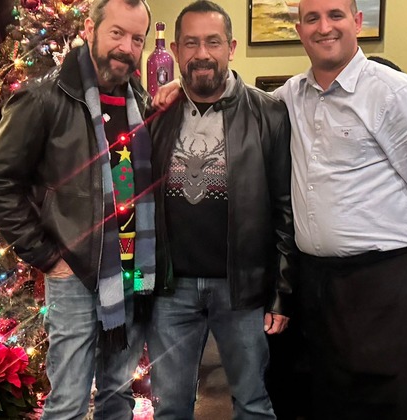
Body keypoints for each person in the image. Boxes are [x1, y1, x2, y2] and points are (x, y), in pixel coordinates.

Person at [271, 0, 407, 418]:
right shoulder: (290, 96)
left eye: (336, 15)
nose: (324, 27)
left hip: (387, 285)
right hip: (318, 287)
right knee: (324, 401)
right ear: (300, 29)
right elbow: (239, 108)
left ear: (358, 23)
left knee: (386, 404)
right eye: (312, 18)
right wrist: (178, 89)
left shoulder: (394, 92)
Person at [0, 0, 153, 418]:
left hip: (132, 273)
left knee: (118, 395)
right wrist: (46, 256)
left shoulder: (140, 101)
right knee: (69, 402)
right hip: (74, 274)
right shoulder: (43, 98)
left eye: (137, 39)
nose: (126, 47)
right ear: (90, 29)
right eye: (117, 33)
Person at [145, 2, 296, 418]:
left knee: (253, 402)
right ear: (176, 50)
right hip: (170, 292)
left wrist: (281, 294)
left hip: (243, 290)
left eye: (213, 41)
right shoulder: (156, 115)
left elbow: (286, 210)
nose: (202, 53)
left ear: (231, 47)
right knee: (170, 407)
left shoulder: (269, 114)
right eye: (191, 43)